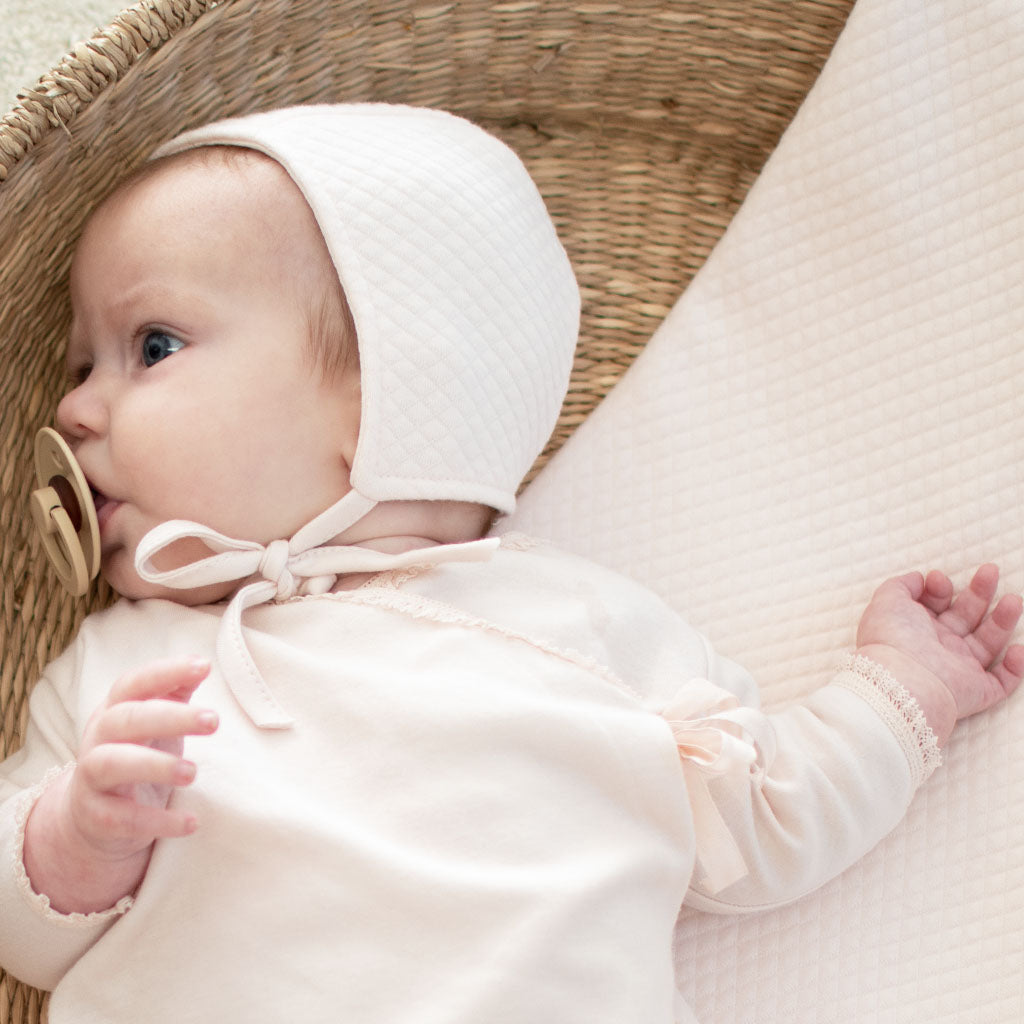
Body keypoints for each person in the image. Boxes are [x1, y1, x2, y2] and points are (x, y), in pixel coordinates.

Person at [0, 103, 1020, 1023]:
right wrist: (74, 837)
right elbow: (28, 944)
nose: (73, 407)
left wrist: (902, 689)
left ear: (382, 402)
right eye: (84, 362)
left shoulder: (571, 623)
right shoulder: (112, 677)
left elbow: (767, 812)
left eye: (154, 345)